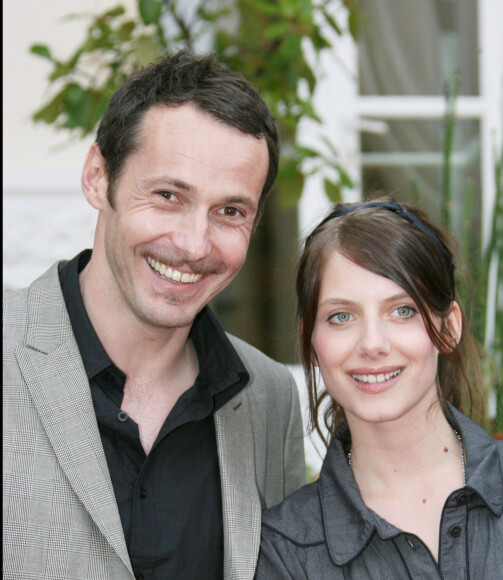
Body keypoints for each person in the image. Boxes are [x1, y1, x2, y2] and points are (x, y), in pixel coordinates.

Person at [3, 50, 306, 580]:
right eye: (168, 195)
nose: (194, 244)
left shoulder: (267, 399)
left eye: (230, 211)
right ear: (98, 177)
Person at [256, 197, 503, 579]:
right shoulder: (284, 551)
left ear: (449, 327)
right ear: (311, 342)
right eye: (341, 317)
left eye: (402, 310)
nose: (372, 343)